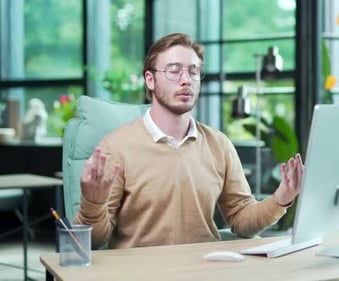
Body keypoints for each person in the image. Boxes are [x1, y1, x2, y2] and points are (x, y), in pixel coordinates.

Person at [74, 33, 304, 249]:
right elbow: (93, 242)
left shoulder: (219, 145)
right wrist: (93, 204)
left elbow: (241, 220)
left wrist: (281, 199)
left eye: (193, 71)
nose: (186, 80)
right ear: (150, 79)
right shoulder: (115, 148)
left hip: (206, 269)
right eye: (174, 71)